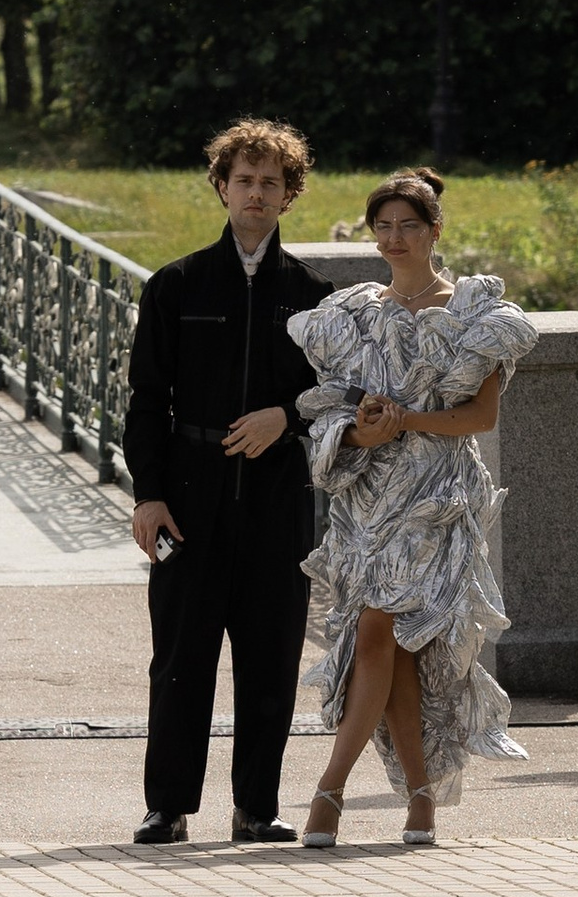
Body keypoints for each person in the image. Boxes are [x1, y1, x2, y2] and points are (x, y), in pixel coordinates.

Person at [285, 168, 538, 851]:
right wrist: (363, 429)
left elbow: (479, 417)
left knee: (380, 634)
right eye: (384, 227)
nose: (394, 238)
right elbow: (333, 408)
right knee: (389, 649)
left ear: (434, 230)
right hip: (367, 500)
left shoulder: (475, 316)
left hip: (436, 499)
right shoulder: (354, 314)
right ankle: (421, 797)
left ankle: (329, 791)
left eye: (408, 226)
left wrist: (409, 419)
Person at [122, 116, 328, 846]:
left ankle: (257, 806)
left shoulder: (312, 294)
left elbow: (335, 396)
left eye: (271, 182)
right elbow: (147, 399)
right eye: (244, 180)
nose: (256, 193)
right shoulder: (176, 285)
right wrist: (148, 494)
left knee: (271, 654)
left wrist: (286, 417)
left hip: (277, 498)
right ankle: (168, 805)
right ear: (221, 186)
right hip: (189, 495)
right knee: (181, 657)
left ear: (289, 194)